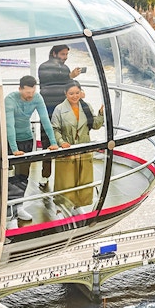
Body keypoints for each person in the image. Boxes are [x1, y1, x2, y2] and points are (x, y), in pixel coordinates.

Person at [5, 75, 58, 222]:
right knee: (6, 177)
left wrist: (53, 142)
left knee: (23, 175)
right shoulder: (10, 99)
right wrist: (14, 149)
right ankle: (6, 207)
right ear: (20, 89)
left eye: (32, 92)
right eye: (27, 93)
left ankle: (19, 206)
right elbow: (9, 125)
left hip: (27, 139)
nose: (30, 96)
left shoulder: (37, 97)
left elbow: (45, 120)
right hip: (9, 140)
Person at [51, 80, 104, 213]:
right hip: (67, 148)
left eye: (77, 93)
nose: (75, 96)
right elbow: (54, 129)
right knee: (66, 178)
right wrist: (61, 142)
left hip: (84, 147)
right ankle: (62, 204)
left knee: (83, 177)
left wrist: (101, 113)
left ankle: (80, 202)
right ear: (65, 94)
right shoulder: (59, 109)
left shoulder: (86, 107)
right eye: (71, 93)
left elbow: (95, 125)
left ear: (81, 92)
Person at [38, 45, 82, 189]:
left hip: (63, 110)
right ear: (54, 53)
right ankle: (45, 176)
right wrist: (69, 77)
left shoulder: (65, 68)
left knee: (65, 140)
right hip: (49, 110)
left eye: (66, 54)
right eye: (63, 54)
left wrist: (77, 90)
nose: (65, 57)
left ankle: (65, 177)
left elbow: (68, 86)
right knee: (48, 142)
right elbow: (49, 80)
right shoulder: (44, 67)